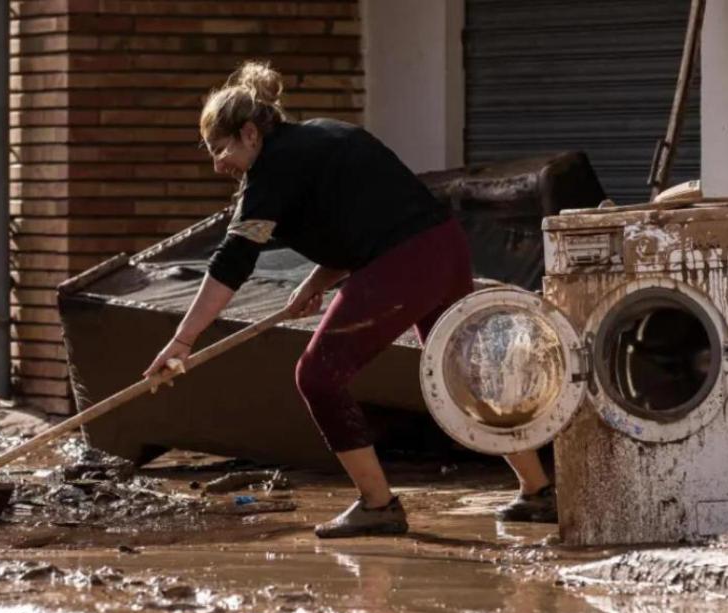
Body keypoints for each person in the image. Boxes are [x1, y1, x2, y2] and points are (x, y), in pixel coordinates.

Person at [143, 61, 556, 537]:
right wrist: (318, 280)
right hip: (442, 248)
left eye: (220, 149)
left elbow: (233, 261)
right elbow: (365, 220)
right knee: (460, 370)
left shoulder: (271, 171)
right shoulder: (326, 135)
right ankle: (537, 490)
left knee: (318, 376)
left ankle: (377, 504)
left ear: (251, 133)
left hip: (405, 264)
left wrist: (182, 341)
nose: (219, 165)